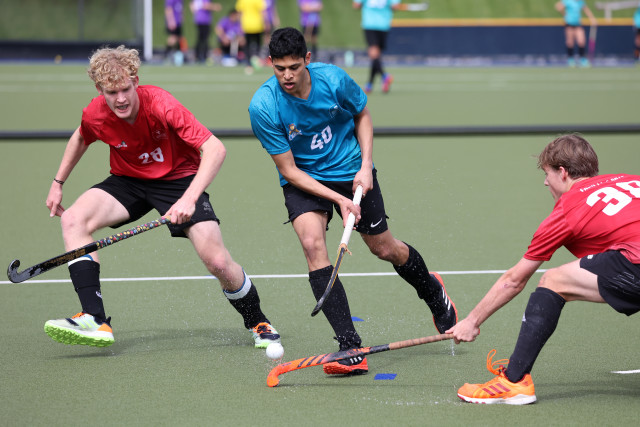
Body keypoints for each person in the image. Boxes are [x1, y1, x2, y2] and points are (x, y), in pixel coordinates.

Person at [248, 27, 457, 376]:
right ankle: (350, 347)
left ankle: (433, 291)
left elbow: (362, 114)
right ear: (270, 63)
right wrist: (338, 200)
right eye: (279, 68)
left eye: (294, 67)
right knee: (312, 243)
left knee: (384, 248)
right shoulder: (264, 106)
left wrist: (365, 166)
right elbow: (289, 170)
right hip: (304, 179)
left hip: (350, 168)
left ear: (307, 60)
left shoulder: (333, 80)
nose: (287, 75)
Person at [43, 45, 281, 350]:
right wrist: (58, 182)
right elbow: (81, 136)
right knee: (73, 220)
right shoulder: (95, 113)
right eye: (111, 92)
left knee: (218, 261)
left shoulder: (160, 104)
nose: (120, 99)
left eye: (126, 89)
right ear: (99, 90)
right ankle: (94, 318)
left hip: (178, 179)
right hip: (128, 180)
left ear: (136, 81)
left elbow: (215, 149)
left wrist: (189, 199)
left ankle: (258, 321)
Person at [449, 134, 640, 405]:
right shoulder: (630, 180)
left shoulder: (569, 207)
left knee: (553, 280)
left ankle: (514, 382)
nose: (545, 182)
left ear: (563, 173)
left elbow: (515, 280)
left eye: (547, 174)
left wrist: (472, 321)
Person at [353, 0, 401, 94]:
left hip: (370, 24)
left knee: (374, 55)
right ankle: (369, 84)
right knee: (375, 56)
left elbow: (356, 5)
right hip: (383, 25)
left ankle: (384, 76)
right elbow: (395, 6)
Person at [555, 0, 596, 68]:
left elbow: (586, 9)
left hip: (578, 24)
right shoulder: (568, 1)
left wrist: (592, 19)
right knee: (570, 43)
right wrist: (565, 14)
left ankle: (583, 59)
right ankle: (570, 59)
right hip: (569, 24)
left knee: (581, 41)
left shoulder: (580, 1)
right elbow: (558, 6)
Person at [235, 0, 266, 73]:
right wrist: (265, 23)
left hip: (246, 25)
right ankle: (257, 61)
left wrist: (239, 25)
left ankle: (248, 64)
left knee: (247, 45)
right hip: (257, 24)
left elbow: (239, 12)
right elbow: (262, 12)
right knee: (258, 44)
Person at [165, 0, 187, 65]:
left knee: (178, 38)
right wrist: (171, 21)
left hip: (178, 23)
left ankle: (177, 57)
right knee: (172, 39)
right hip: (173, 22)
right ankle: (166, 55)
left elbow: (181, 8)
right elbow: (168, 9)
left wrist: (182, 16)